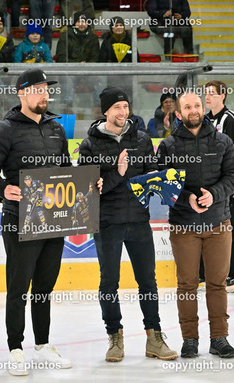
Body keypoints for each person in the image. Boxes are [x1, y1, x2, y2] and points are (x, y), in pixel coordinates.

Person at [0, 68, 72, 376]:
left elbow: (65, 169)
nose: (45, 94)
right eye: (38, 89)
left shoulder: (56, 128)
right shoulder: (5, 129)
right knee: (19, 287)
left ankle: (43, 345)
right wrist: (2, 188)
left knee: (44, 286)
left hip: (53, 220)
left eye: (47, 89)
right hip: (19, 219)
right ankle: (15, 348)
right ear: (22, 93)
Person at [78, 87, 178, 363]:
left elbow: (149, 176)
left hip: (138, 221)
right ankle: (114, 336)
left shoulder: (142, 140)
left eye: (126, 107)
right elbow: (90, 191)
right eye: (117, 108)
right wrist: (117, 173)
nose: (123, 112)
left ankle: (154, 336)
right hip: (107, 223)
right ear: (106, 111)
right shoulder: (90, 145)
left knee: (148, 280)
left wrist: (161, 182)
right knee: (109, 282)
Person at [156, 91, 234, 358]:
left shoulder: (223, 141)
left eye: (197, 105)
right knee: (187, 284)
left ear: (203, 109)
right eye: (187, 107)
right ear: (178, 114)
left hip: (218, 223)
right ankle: (189, 339)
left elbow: (233, 175)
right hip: (184, 225)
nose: (193, 110)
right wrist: (187, 198)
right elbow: (163, 184)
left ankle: (219, 338)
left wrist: (213, 194)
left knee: (217, 283)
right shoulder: (168, 146)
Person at [205, 80, 234, 292]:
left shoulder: (231, 121)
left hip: (231, 185)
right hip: (212, 187)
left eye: (212, 93)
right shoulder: (205, 120)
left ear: (222, 95)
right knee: (210, 230)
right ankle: (208, 274)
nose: (207, 97)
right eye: (205, 93)